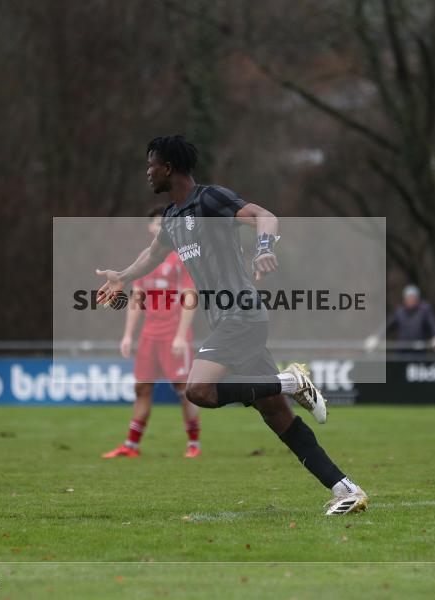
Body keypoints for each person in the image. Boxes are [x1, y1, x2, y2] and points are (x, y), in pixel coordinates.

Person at [95, 135, 367, 515]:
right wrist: (122, 276)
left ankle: (292, 381)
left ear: (168, 167)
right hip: (227, 321)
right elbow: (151, 255)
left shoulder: (209, 199)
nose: (147, 172)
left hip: (242, 314)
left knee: (199, 390)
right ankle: (346, 489)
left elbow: (264, 215)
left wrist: (265, 247)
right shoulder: (172, 219)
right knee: (278, 417)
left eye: (151, 164)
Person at [102, 207, 202, 459]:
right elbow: (137, 298)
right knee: (142, 389)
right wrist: (127, 335)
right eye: (158, 224)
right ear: (150, 227)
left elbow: (190, 296)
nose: (161, 228)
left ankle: (194, 444)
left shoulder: (181, 258)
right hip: (149, 335)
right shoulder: (144, 258)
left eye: (165, 224)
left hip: (173, 334)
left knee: (184, 391)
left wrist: (181, 335)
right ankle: (131, 446)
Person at [364, 285, 435, 353]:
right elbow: (388, 325)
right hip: (403, 351)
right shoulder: (400, 312)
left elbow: (433, 324)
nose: (410, 300)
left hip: (419, 352)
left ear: (417, 299)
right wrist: (376, 337)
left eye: (412, 298)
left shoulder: (424, 310)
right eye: (408, 298)